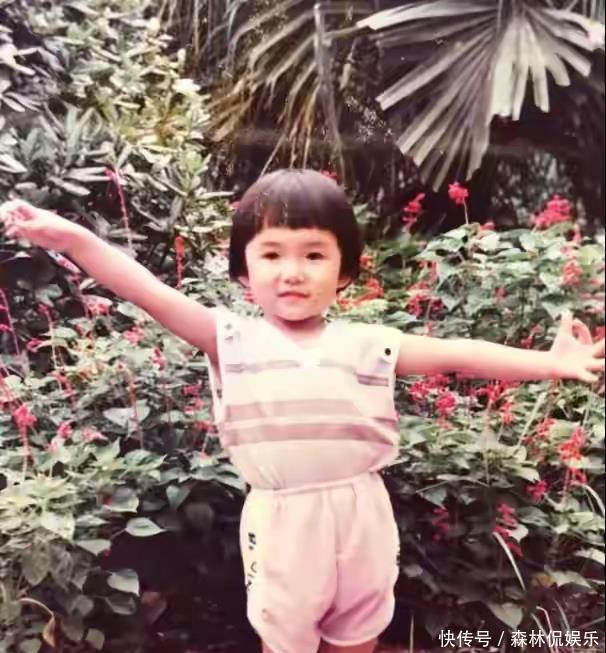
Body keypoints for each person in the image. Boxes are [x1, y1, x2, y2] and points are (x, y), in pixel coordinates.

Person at [0, 168, 604, 653]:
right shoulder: (228, 338)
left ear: (345, 269)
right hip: (283, 523)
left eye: (314, 255)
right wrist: (73, 239)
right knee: (286, 636)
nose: (292, 273)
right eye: (272, 255)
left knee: (360, 630)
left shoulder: (369, 343)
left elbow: (460, 357)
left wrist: (551, 363)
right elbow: (144, 289)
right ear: (244, 269)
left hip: (362, 515)